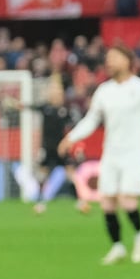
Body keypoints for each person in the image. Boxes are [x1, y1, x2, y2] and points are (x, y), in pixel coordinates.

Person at [58, 44, 140, 265]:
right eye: (108, 58)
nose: (109, 62)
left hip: (136, 153)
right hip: (112, 153)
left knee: (127, 200)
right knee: (107, 202)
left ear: (128, 61)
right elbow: (91, 120)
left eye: (114, 57)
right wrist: (72, 137)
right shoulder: (104, 91)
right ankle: (117, 247)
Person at [31, 74, 90, 215]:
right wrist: (17, 105)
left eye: (57, 92)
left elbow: (75, 128)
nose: (55, 94)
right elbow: (29, 107)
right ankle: (40, 203)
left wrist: (78, 146)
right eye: (52, 91)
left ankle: (80, 202)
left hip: (62, 148)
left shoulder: (66, 110)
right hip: (48, 148)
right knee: (43, 175)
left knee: (70, 174)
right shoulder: (45, 108)